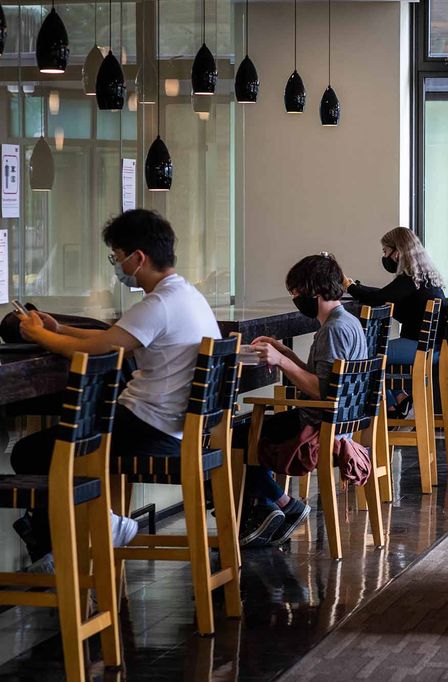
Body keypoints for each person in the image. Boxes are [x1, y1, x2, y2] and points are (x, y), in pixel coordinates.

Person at [11, 209, 221, 571]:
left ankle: (77, 539)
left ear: (138, 258)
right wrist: (57, 329)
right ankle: (67, 544)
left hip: (148, 426)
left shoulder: (160, 304)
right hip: (173, 427)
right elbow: (112, 337)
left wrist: (36, 334)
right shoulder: (185, 295)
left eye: (117, 257)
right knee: (48, 452)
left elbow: (97, 351)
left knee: (31, 453)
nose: (117, 266)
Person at [236, 254, 367, 548]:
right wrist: (285, 353)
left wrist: (282, 361)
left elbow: (322, 391)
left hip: (316, 427)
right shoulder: (348, 322)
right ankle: (263, 512)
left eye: (296, 292)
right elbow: (324, 379)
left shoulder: (333, 330)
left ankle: (280, 505)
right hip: (337, 424)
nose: (295, 298)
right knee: (252, 432)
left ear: (314, 291)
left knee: (236, 438)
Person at [342, 227, 445, 415]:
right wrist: (356, 287)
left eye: (385, 251)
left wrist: (349, 287)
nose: (384, 256)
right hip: (434, 347)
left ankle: (388, 409)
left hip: (419, 347)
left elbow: (377, 299)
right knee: (377, 354)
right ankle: (400, 399)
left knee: (367, 353)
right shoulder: (423, 278)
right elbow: (384, 294)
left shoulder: (409, 279)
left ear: (397, 252)